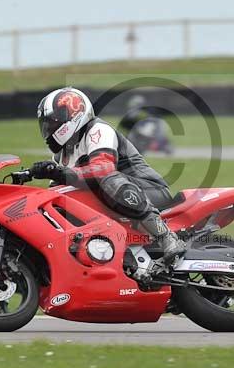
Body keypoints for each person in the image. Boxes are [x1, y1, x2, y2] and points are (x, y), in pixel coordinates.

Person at [29, 87, 186, 267]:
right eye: (47, 125)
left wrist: (60, 173)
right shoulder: (61, 155)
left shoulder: (97, 130)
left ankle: (166, 237)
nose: (49, 129)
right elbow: (56, 193)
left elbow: (103, 169)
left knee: (107, 180)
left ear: (73, 116)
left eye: (53, 123)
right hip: (114, 201)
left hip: (149, 191)